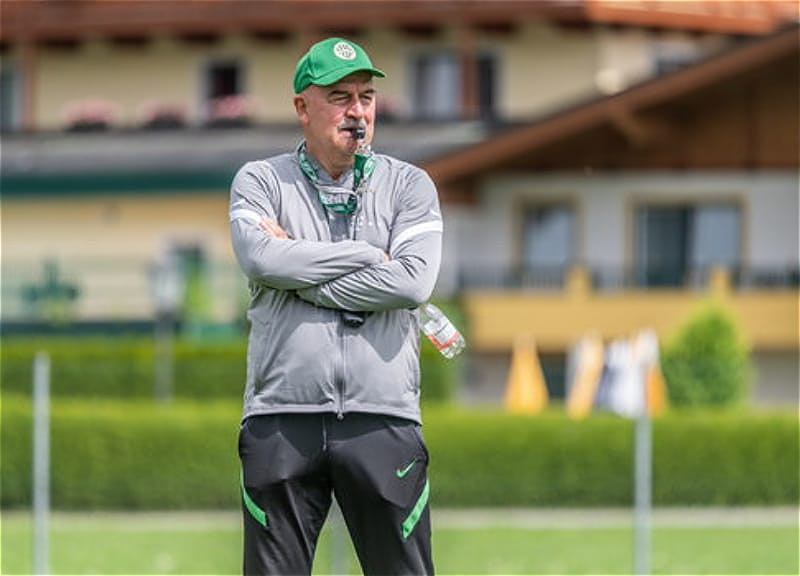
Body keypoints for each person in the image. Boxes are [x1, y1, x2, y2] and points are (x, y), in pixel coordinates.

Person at [229, 37, 442, 576]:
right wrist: (370, 257)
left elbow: (412, 282)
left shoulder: (410, 185)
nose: (358, 111)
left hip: (383, 418)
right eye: (340, 97)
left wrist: (300, 275)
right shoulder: (260, 181)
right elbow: (261, 259)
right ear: (302, 107)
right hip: (282, 417)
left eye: (366, 97)